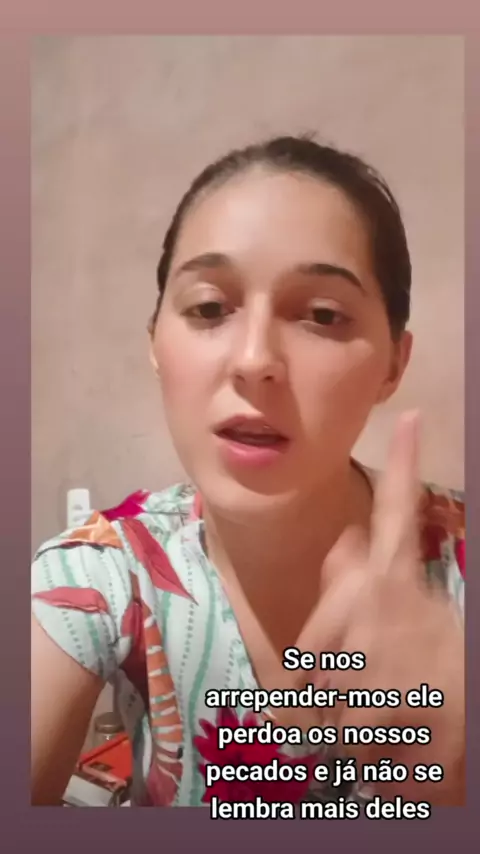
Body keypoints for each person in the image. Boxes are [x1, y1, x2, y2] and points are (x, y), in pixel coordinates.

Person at [31, 135, 465, 809]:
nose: (255, 359)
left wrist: (453, 769)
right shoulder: (99, 574)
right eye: (209, 309)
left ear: (393, 364)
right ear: (155, 343)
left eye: (322, 315)